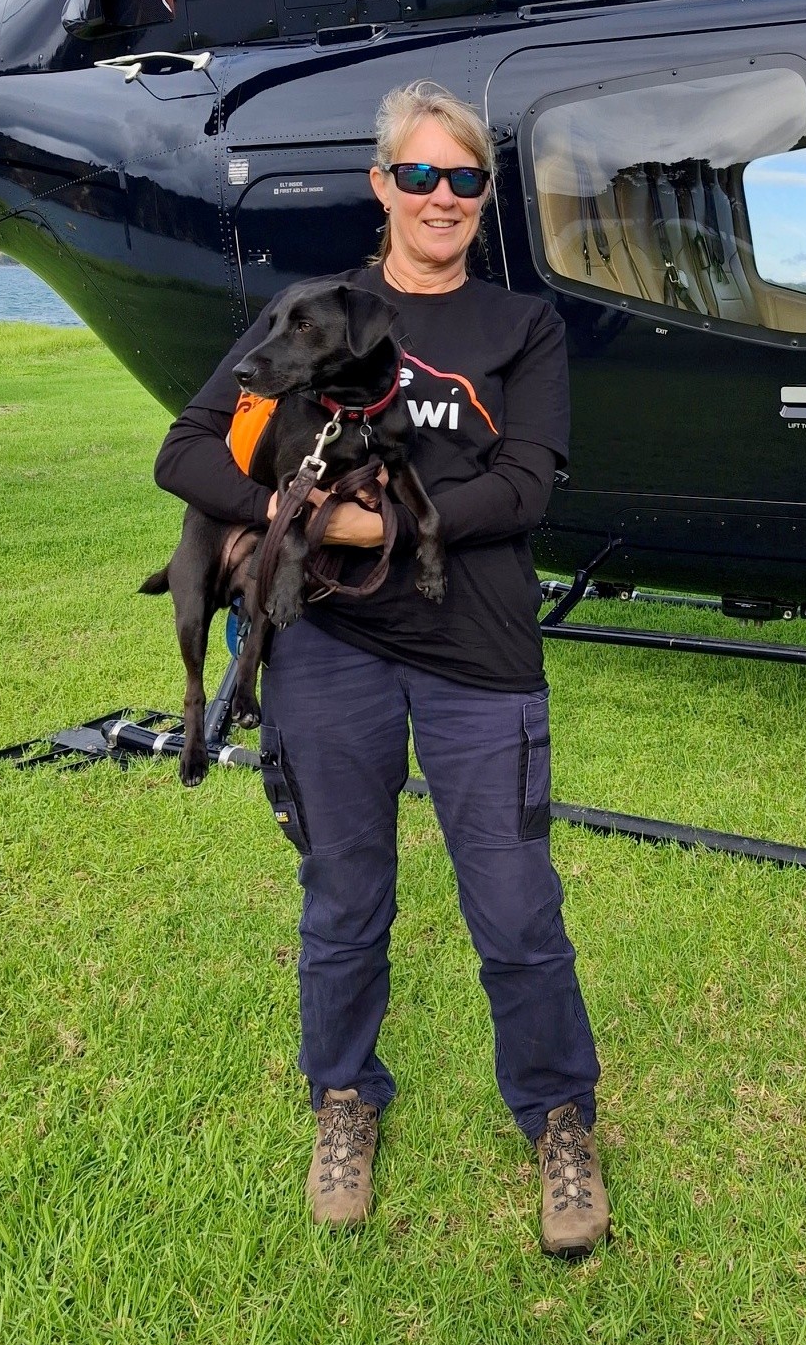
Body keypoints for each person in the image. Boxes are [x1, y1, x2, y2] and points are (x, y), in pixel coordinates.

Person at [151, 80, 607, 1256]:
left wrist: (369, 529)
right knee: (346, 904)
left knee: (514, 911)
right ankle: (343, 1102)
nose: (443, 198)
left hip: (479, 657)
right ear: (382, 185)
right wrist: (281, 514)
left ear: (482, 198)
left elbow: (527, 489)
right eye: (421, 175)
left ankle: (559, 1118)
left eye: (465, 180)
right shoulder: (314, 319)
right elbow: (185, 449)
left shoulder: (521, 326)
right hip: (332, 656)